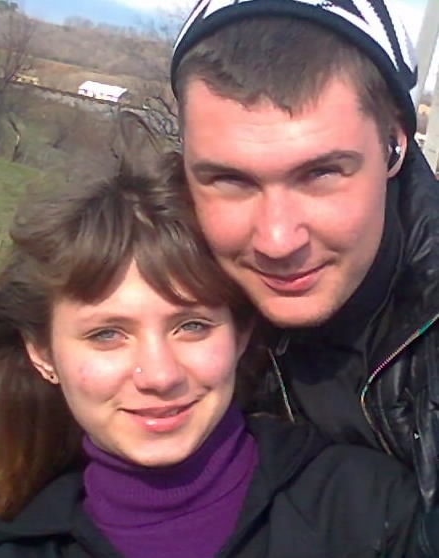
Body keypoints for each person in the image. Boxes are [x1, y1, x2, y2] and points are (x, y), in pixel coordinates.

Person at [0, 113, 429, 557]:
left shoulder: (375, 515)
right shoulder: (7, 546)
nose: (159, 375)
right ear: (43, 352)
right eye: (107, 335)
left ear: (241, 334)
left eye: (192, 327)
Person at [170, 0, 439, 508]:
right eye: (230, 180)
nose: (277, 240)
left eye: (321, 174)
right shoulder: (151, 297)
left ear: (395, 147)